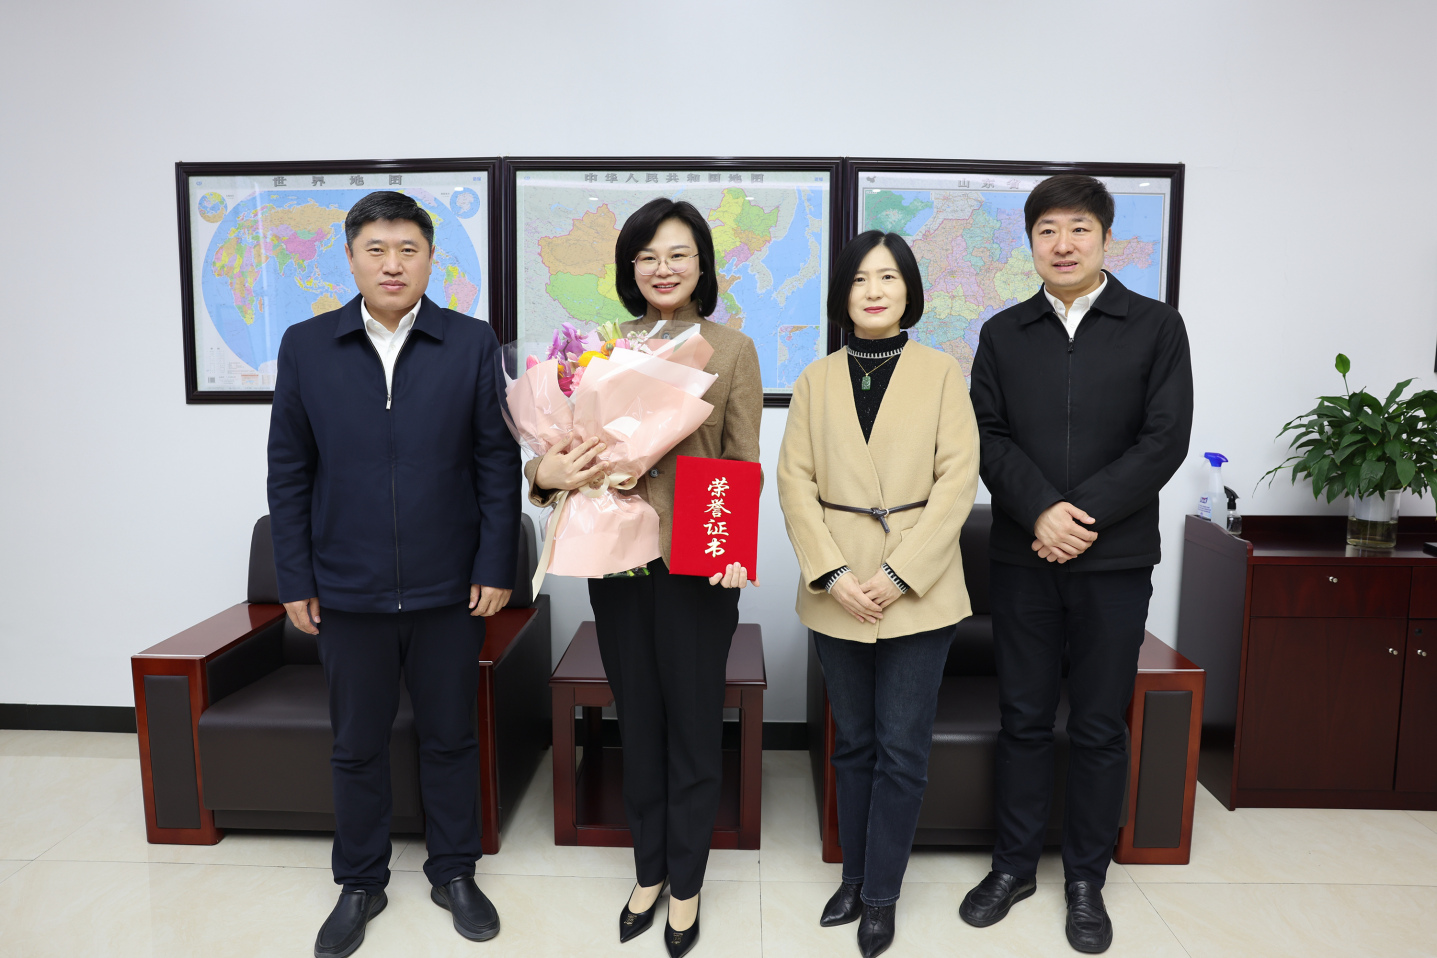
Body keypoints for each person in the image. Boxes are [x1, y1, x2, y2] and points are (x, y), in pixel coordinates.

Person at [267, 191, 521, 958]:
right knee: (356, 744)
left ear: (430, 259)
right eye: (375, 248)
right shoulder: (307, 345)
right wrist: (294, 576)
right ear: (349, 258)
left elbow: (495, 463)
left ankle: (454, 872)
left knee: (450, 737)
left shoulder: (471, 342)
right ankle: (360, 882)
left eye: (408, 248)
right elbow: (289, 470)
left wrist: (495, 564)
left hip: (451, 587)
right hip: (347, 588)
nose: (392, 263)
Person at [525, 197, 762, 958]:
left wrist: (734, 548)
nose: (663, 268)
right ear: (631, 268)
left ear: (702, 266)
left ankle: (685, 882)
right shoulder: (603, 346)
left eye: (678, 254)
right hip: (617, 561)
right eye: (648, 256)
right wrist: (545, 474)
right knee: (639, 721)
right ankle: (647, 870)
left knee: (693, 725)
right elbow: (558, 453)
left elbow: (740, 459)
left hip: (696, 564)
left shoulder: (732, 348)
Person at [962, 174, 1192, 954]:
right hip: (1022, 556)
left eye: (1078, 229)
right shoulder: (1003, 332)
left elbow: (1163, 439)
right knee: (1023, 720)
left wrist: (1077, 515)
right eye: (1046, 231)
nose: (1062, 245)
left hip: (1113, 559)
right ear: (1030, 242)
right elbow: (986, 434)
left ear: (1104, 239)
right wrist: (1039, 512)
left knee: (1097, 725)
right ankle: (1013, 866)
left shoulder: (1154, 326)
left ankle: (1086, 879)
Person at [777, 230, 980, 958]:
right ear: (843, 292)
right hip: (836, 588)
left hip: (919, 591)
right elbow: (794, 482)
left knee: (901, 748)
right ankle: (854, 877)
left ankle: (882, 896)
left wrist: (898, 575)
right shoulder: (815, 378)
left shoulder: (942, 372)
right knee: (853, 743)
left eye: (888, 277)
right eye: (861, 278)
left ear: (908, 290)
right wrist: (832, 573)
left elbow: (958, 481)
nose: (873, 290)